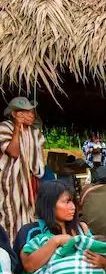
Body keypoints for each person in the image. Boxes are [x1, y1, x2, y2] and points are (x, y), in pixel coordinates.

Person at [0, 97, 45, 236]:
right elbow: (13, 152)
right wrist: (17, 127)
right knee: (10, 216)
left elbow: (38, 161)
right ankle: (11, 249)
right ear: (15, 114)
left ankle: (26, 248)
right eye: (27, 112)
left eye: (32, 112)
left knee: (30, 215)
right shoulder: (4, 128)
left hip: (29, 182)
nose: (32, 115)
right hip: (10, 183)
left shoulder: (35, 133)